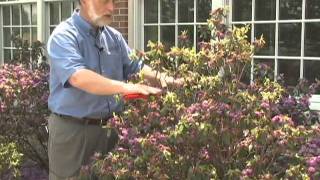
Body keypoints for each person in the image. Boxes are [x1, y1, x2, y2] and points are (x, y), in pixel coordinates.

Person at [47, 0, 181, 179]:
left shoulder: (114, 37)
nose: (112, 8)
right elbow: (78, 76)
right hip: (73, 133)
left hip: (111, 130)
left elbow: (135, 66)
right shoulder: (63, 35)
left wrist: (170, 80)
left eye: (113, 1)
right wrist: (127, 87)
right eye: (104, 1)